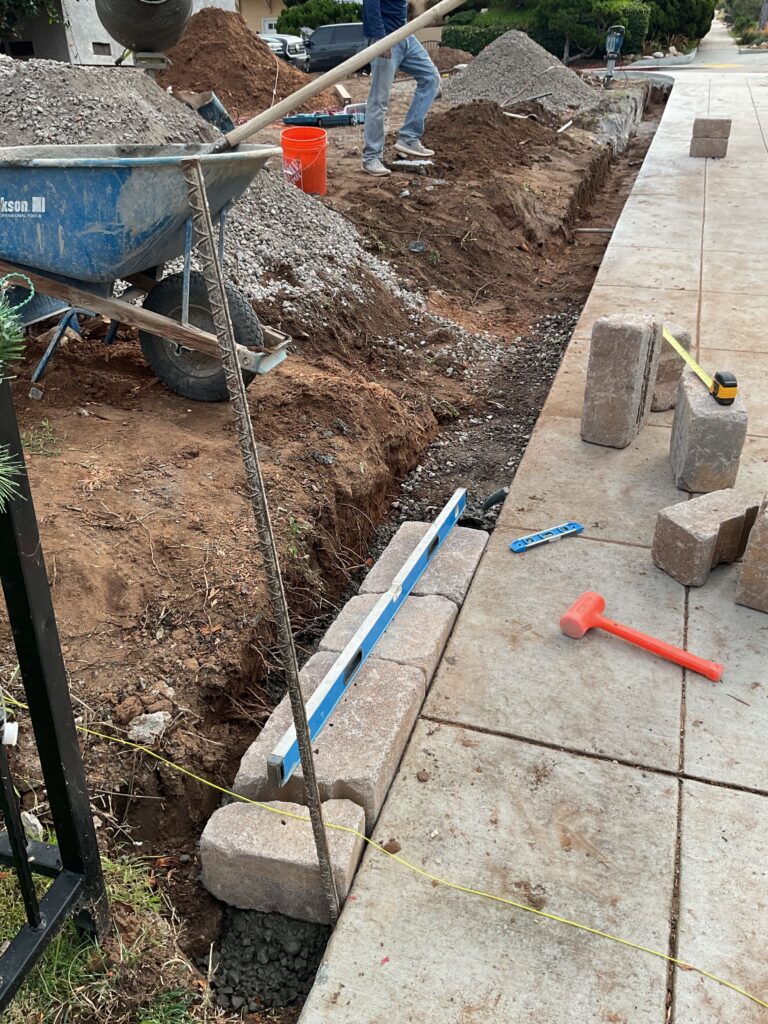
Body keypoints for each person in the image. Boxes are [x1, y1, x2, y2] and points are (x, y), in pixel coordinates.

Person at [361, 0, 441, 176]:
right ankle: (371, 158)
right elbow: (370, 4)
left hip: (405, 35)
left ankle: (409, 137)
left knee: (431, 78)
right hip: (386, 37)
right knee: (379, 99)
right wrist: (381, 39)